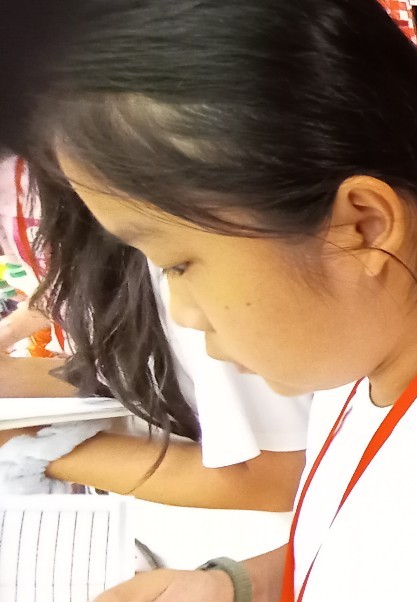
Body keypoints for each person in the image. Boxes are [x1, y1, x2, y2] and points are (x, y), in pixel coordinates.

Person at [11, 1, 417, 600]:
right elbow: (355, 547)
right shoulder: (364, 369)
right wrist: (230, 586)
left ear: (363, 228)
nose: (185, 314)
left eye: (179, 264)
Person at [0, 155, 310, 512]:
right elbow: (140, 376)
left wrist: (24, 445)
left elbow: (277, 480)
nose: (185, 311)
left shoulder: (180, 262)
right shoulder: (104, 248)